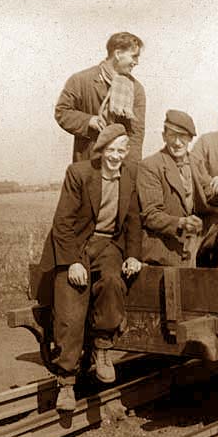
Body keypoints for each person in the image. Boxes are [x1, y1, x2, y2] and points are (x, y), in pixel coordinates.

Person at [37, 124, 142, 411]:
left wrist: (133, 255)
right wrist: (71, 262)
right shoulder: (79, 173)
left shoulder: (130, 174)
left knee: (112, 283)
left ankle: (103, 350)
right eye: (110, 150)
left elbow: (133, 220)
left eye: (121, 150)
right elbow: (63, 223)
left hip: (108, 246)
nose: (115, 156)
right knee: (70, 310)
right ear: (100, 150)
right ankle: (66, 383)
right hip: (76, 245)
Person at [137, 110, 218, 299]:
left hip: (196, 233)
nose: (177, 143)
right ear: (163, 136)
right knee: (186, 294)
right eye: (172, 136)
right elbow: (151, 215)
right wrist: (181, 223)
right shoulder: (150, 166)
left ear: (189, 140)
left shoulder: (194, 161)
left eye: (183, 137)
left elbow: (207, 191)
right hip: (170, 240)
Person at [55, 32, 146, 163]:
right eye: (134, 56)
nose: (136, 62)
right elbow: (61, 111)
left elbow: (136, 134)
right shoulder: (80, 80)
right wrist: (89, 121)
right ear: (118, 54)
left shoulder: (136, 89)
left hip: (119, 164)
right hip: (87, 161)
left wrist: (132, 170)